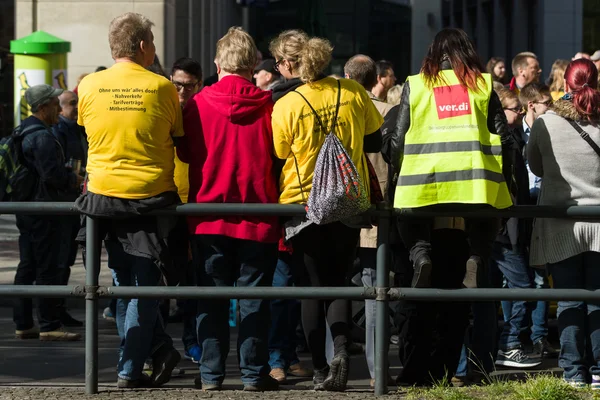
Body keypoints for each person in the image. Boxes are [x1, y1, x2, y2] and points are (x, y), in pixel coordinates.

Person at [384, 28, 512, 386]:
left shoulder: (417, 83)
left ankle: (419, 252)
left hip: (425, 192)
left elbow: (398, 138)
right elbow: (505, 137)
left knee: (418, 298)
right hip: (471, 193)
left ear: (434, 52)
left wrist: (397, 183)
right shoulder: (483, 85)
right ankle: (477, 255)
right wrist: (508, 187)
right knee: (458, 299)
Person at [270, 30, 383, 391]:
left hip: (304, 204)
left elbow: (281, 152)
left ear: (295, 64)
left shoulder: (287, 103)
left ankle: (319, 368)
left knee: (310, 288)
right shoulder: (351, 92)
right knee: (338, 283)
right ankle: (340, 351)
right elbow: (374, 138)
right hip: (349, 199)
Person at [75, 12, 182, 388]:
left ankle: (149, 353)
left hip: (102, 196)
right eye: (152, 43)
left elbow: (88, 131)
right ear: (141, 46)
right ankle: (130, 368)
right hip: (148, 197)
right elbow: (177, 135)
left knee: (122, 283)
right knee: (144, 287)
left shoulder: (89, 85)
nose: (154, 49)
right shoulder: (162, 87)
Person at [178, 27, 280, 392]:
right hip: (259, 217)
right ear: (253, 64)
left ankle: (210, 375)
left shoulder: (197, 104)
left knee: (211, 300)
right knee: (255, 302)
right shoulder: (269, 105)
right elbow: (279, 156)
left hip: (208, 217)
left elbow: (186, 153)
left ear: (218, 63)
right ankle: (253, 375)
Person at [528, 58, 600, 388]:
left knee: (570, 298)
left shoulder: (546, 123)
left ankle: (574, 373)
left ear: (565, 85)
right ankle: (599, 370)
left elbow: (536, 168)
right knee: (597, 297)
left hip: (561, 223)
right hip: (599, 222)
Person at [13, 84, 83, 342]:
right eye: (55, 104)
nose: (58, 109)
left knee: (28, 265)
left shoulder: (23, 129)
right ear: (43, 107)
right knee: (47, 267)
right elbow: (51, 175)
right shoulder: (42, 136)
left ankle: (23, 322)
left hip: (27, 207)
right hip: (43, 210)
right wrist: (72, 179)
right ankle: (49, 325)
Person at [343, 53, 397, 389]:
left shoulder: (340, 107)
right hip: (378, 213)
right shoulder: (389, 113)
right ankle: (378, 371)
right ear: (375, 77)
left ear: (347, 76)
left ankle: (333, 365)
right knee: (376, 290)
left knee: (334, 289)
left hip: (338, 209)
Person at [168, 56, 203, 364]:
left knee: (193, 283)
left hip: (195, 204)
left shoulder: (201, 111)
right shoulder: (163, 108)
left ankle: (193, 342)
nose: (181, 91)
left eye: (187, 86)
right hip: (164, 202)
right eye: (176, 84)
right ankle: (161, 350)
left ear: (199, 85)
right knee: (162, 280)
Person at [51, 90, 87, 328]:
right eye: (71, 104)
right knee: (58, 260)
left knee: (66, 259)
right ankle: (53, 312)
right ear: (60, 107)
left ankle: (58, 310)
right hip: (64, 200)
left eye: (77, 103)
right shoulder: (59, 130)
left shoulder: (77, 128)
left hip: (75, 200)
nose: (76, 107)